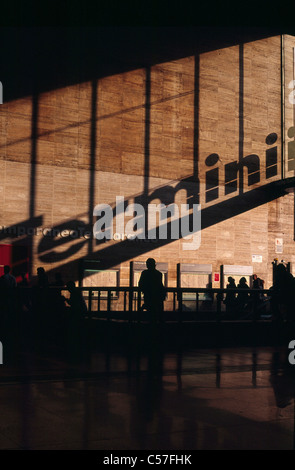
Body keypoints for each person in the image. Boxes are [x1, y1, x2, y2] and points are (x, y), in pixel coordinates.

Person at [138, 258, 166, 323]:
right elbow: (160, 285)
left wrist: (144, 290)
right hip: (157, 297)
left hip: (148, 296)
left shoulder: (145, 273)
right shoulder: (159, 274)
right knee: (157, 314)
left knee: (150, 314)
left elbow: (141, 284)